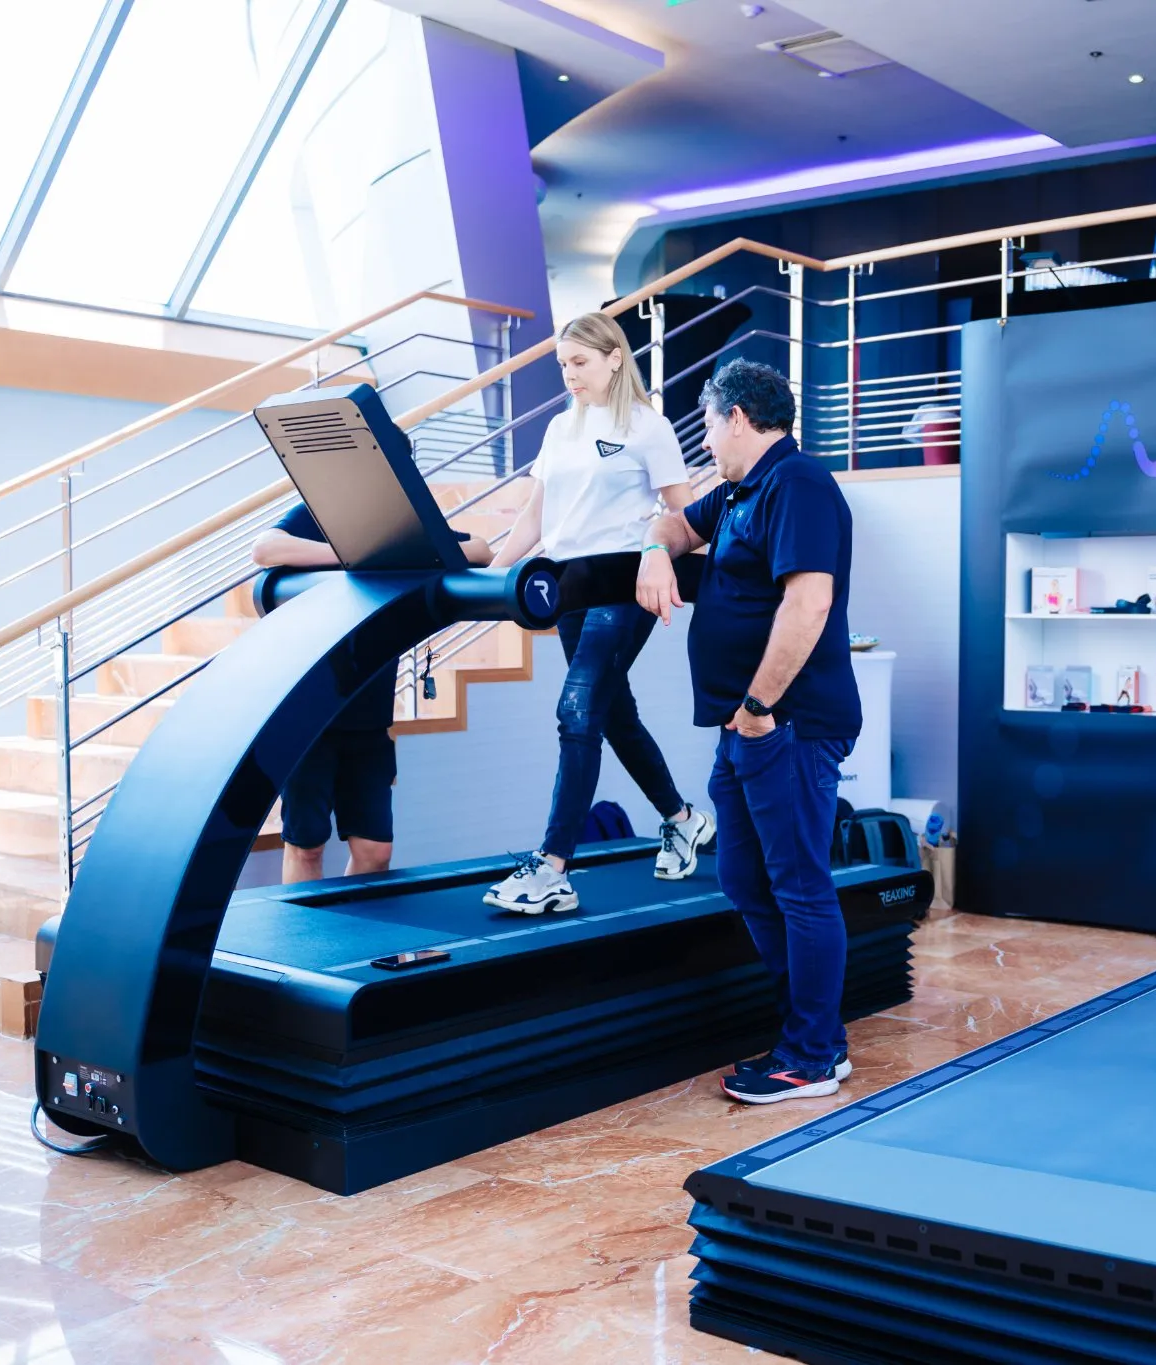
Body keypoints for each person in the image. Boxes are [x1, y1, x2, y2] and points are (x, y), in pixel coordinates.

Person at [636, 358, 862, 1104]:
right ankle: (810, 1032)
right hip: (749, 726)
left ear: (736, 418)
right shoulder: (741, 490)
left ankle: (812, 1055)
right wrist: (653, 552)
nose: (704, 442)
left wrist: (760, 707)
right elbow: (674, 523)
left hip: (785, 723)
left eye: (707, 426)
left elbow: (809, 604)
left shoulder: (797, 485)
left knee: (798, 885)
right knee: (743, 876)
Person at [483, 310, 715, 915]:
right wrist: (491, 580)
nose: (569, 374)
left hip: (623, 584)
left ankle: (553, 868)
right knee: (613, 713)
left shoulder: (648, 427)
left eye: (580, 362)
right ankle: (683, 819)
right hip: (570, 588)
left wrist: (693, 568)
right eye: (563, 364)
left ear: (615, 358)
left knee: (578, 710)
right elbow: (535, 517)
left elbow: (686, 514)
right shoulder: (561, 428)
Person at [251, 506, 491, 883]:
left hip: (369, 718)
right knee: (307, 846)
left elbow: (481, 550)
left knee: (375, 852)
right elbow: (264, 549)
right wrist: (351, 558)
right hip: (307, 722)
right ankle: (304, 923)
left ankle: (349, 919)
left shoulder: (400, 522)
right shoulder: (319, 511)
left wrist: (407, 555)